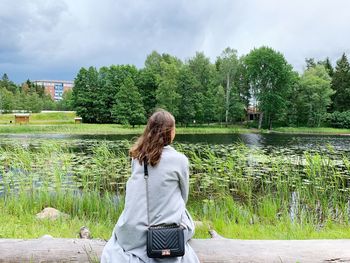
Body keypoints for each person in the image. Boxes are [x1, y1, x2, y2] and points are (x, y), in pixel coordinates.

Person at [101, 109, 200, 263]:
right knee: (186, 218)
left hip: (133, 231)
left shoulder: (138, 158)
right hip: (166, 234)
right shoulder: (180, 160)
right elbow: (183, 196)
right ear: (170, 132)